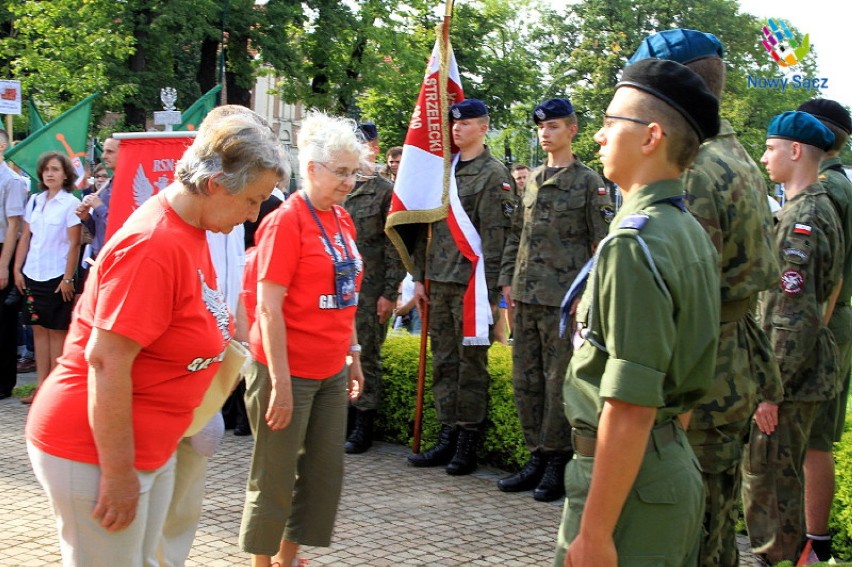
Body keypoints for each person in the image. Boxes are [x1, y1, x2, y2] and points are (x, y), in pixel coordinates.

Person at [24, 110, 286, 566]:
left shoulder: (191, 226)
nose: (253, 214)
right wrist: (119, 472)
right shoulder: (153, 246)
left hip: (147, 444)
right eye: (251, 200)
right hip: (94, 451)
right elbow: (105, 362)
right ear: (215, 184)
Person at [554, 58, 721, 566]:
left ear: (650, 137)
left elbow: (630, 404)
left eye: (609, 123)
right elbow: (684, 381)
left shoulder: (635, 243)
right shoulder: (682, 229)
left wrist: (596, 532)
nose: (599, 137)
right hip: (662, 469)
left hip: (628, 490)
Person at [627, 29, 783, 567]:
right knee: (714, 525)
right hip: (729, 362)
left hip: (697, 373)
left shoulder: (692, 168)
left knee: (684, 531)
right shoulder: (734, 155)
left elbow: (681, 292)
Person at [239, 111, 365, 567]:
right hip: (285, 369)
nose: (350, 182)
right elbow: (268, 307)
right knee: (274, 478)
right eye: (342, 172)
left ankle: (288, 559)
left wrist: (353, 354)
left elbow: (346, 293)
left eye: (355, 173)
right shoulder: (286, 221)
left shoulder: (342, 221)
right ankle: (261, 563)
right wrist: (282, 382)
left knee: (321, 476)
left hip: (330, 368)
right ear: (312, 169)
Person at [742, 111, 845, 565]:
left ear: (795, 150)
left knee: (770, 486)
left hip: (788, 381)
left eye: (769, 147)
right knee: (779, 482)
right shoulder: (814, 207)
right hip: (802, 375)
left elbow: (792, 316)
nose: (764, 157)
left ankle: (779, 559)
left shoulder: (804, 218)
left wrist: (770, 390)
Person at [497, 98, 612, 502]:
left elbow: (602, 246)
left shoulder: (588, 182)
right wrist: (507, 281)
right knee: (525, 381)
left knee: (557, 383)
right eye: (542, 128)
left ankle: (557, 462)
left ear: (572, 130)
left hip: (564, 301)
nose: (545, 134)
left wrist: (588, 298)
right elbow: (516, 234)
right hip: (526, 296)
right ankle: (535, 456)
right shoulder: (531, 179)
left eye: (554, 127)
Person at [407, 99, 517, 476]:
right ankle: (446, 434)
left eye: (466, 123)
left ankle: (467, 442)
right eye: (454, 124)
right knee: (444, 362)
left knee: (470, 367)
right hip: (439, 281)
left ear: (483, 127)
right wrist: (420, 279)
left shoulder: (493, 174)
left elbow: (497, 238)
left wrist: (492, 293)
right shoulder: (443, 173)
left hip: (472, 287)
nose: (457, 129)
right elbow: (427, 227)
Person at [795, 98, 852, 565]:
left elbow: (825, 278)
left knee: (810, 438)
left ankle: (810, 543)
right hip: (838, 320)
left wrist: (809, 336)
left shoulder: (826, 189)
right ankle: (815, 542)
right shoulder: (844, 182)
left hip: (821, 322)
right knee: (819, 436)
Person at [342, 122, 405, 454]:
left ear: (374, 148)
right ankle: (344, 418)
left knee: (365, 355)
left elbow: (394, 247)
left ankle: (364, 422)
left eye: (361, 144)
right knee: (338, 355)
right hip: (339, 291)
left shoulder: (384, 192)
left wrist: (389, 292)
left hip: (370, 289)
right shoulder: (340, 186)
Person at [14, 152, 82, 404]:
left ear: (65, 175)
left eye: (55, 169)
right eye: (46, 170)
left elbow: (74, 244)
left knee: (57, 332)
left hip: (56, 276)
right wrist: (17, 269)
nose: (50, 174)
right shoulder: (34, 200)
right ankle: (41, 387)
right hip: (33, 273)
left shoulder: (70, 203)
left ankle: (57, 391)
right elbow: (25, 237)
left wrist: (67, 278)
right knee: (38, 331)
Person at [0, 129, 29, 400]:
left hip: (2, 251)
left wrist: (3, 265)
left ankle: (3, 382)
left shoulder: (11, 181)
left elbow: (13, 226)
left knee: (4, 322)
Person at [76, 135, 120, 264]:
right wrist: (86, 218)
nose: (104, 156)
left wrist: (99, 206)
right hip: (99, 257)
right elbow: (98, 230)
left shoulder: (128, 186)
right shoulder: (108, 186)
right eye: (104, 151)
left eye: (110, 152)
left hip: (116, 259)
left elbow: (122, 227)